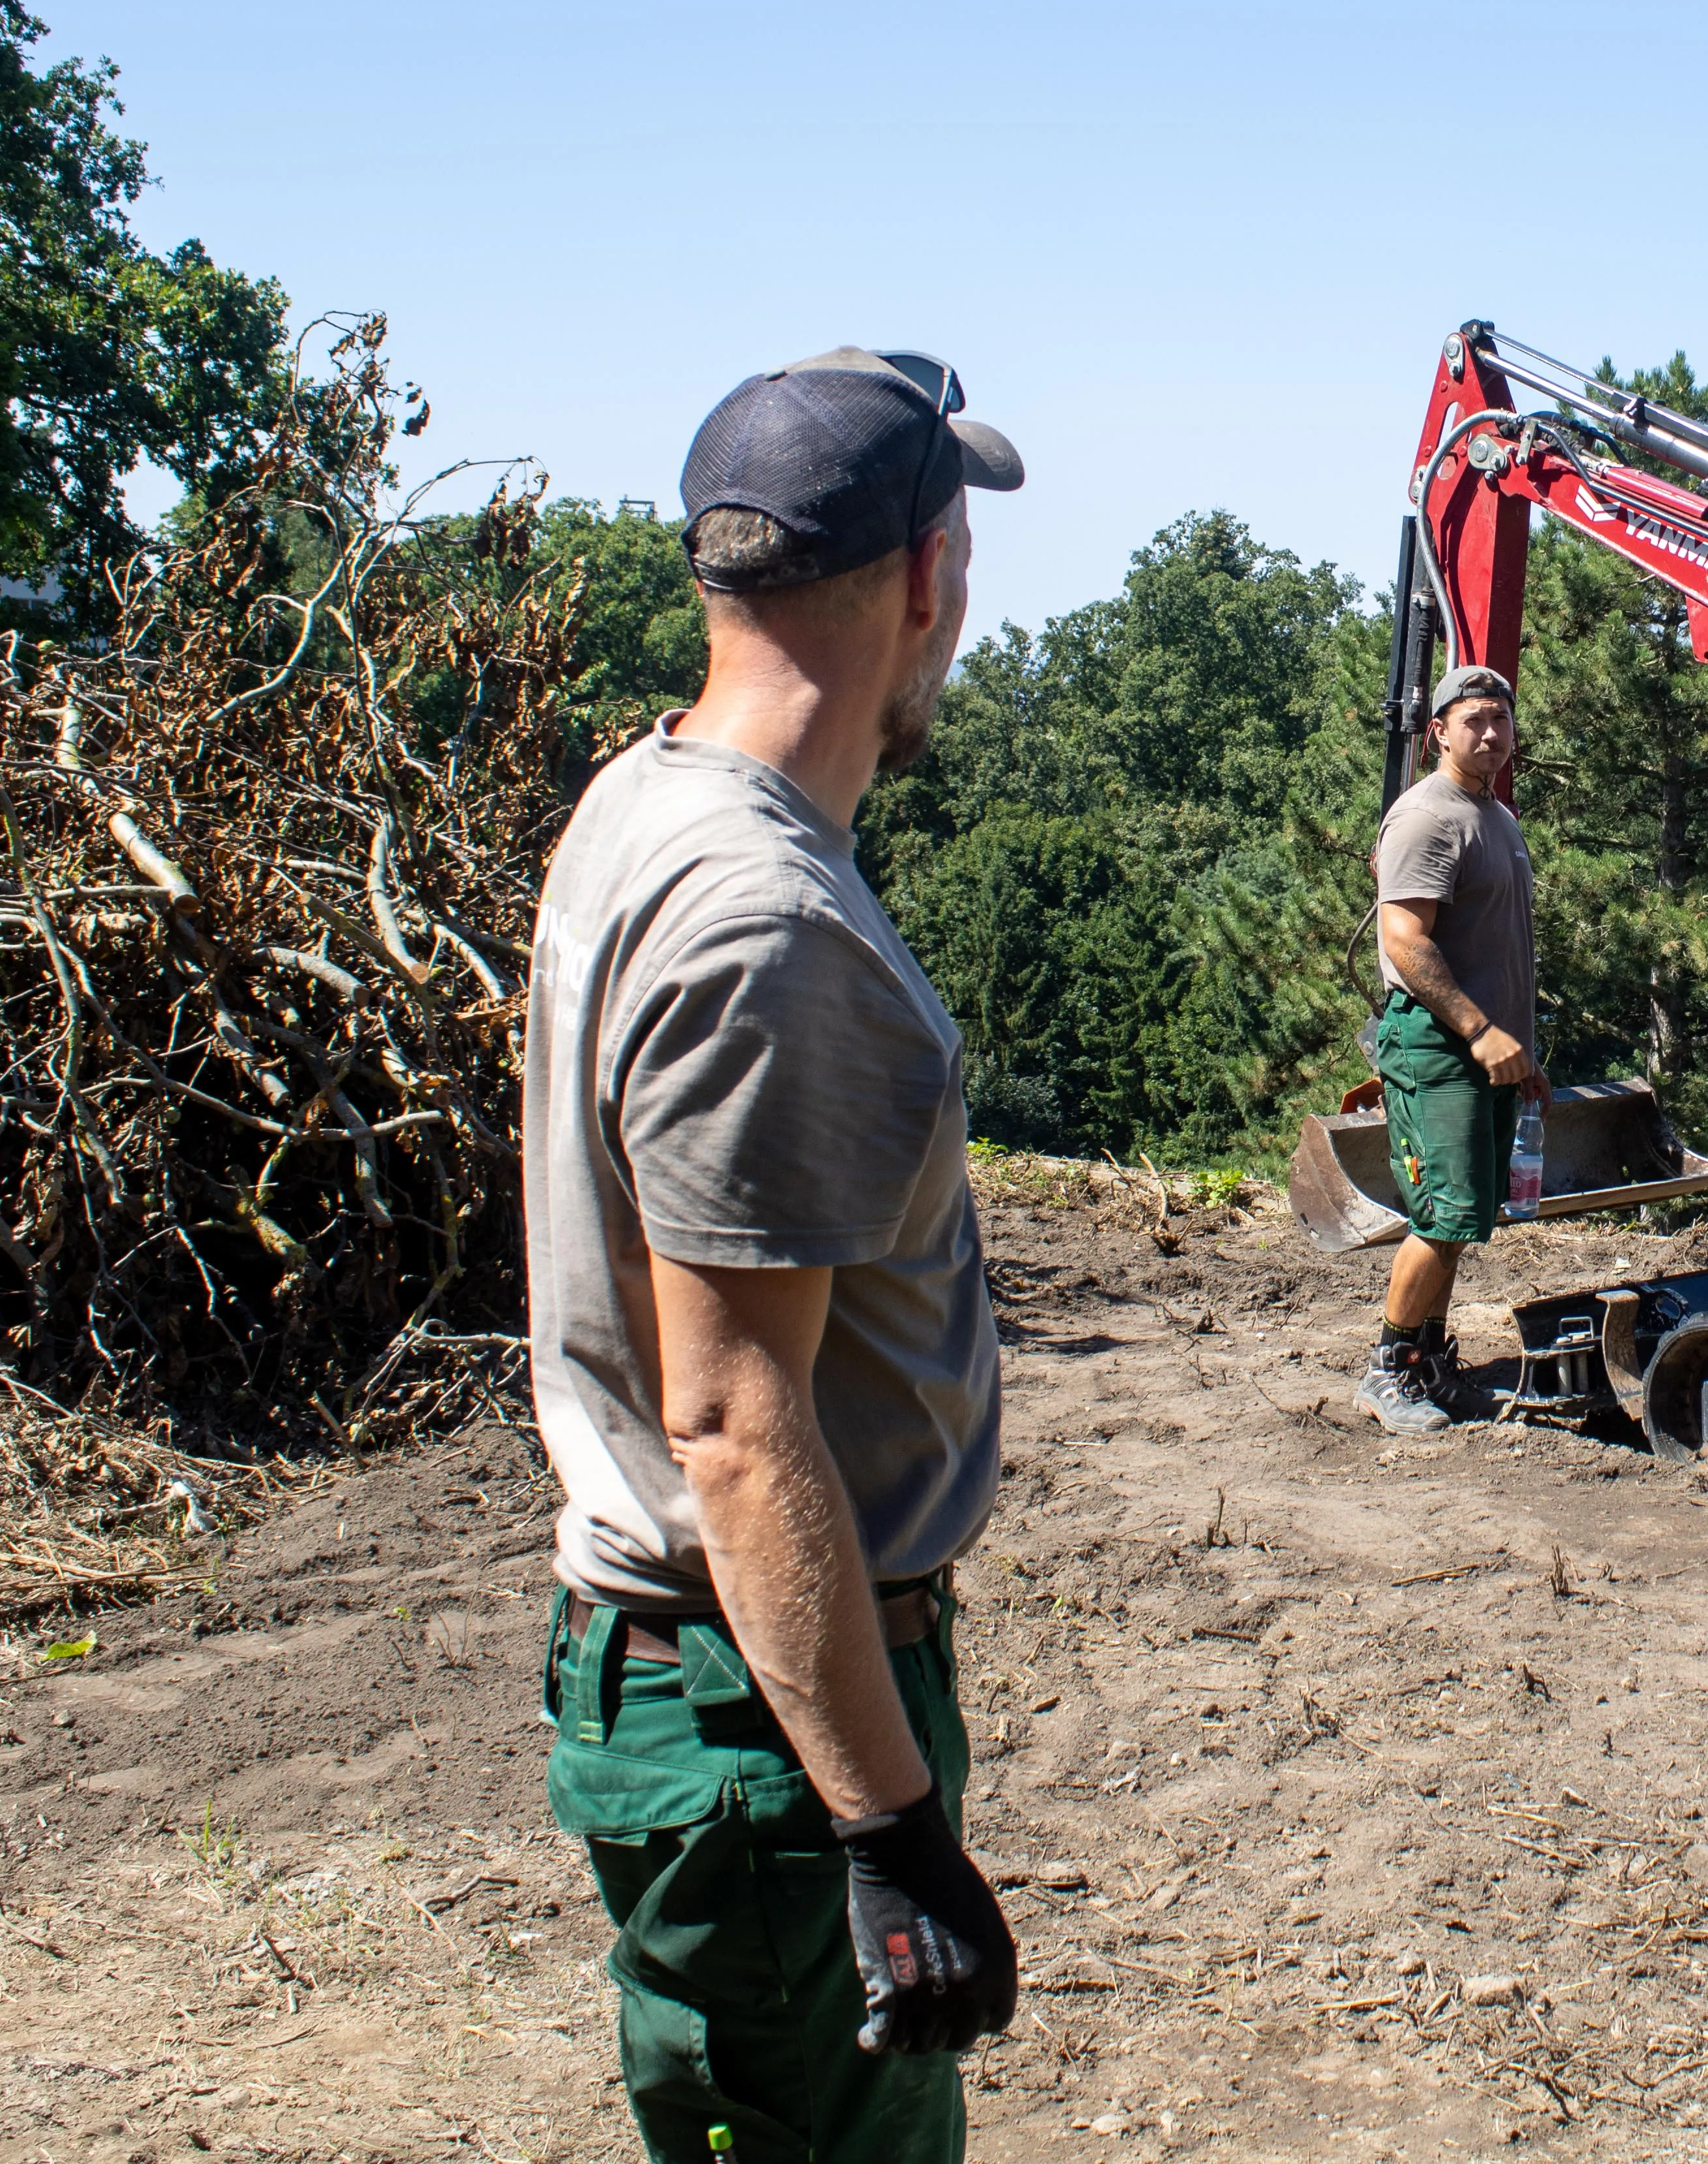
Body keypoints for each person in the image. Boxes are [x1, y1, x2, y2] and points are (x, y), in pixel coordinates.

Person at [525, 346, 1023, 2160]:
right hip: (766, 1724)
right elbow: (735, 1422)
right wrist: (887, 1829)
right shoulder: (770, 922)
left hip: (725, 1690)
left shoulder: (643, 803)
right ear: (922, 581)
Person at [1358, 664, 1543, 1434]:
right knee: (1442, 1215)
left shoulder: (1495, 817)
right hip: (1439, 1045)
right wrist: (1478, 1030)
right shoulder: (1429, 815)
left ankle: (1429, 1362)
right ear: (1438, 730)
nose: (1491, 733)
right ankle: (1386, 1372)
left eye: (1501, 718)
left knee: (1462, 1215)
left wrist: (1521, 1049)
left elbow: (1502, 947)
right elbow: (1405, 941)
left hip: (1489, 1049)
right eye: (1474, 721)